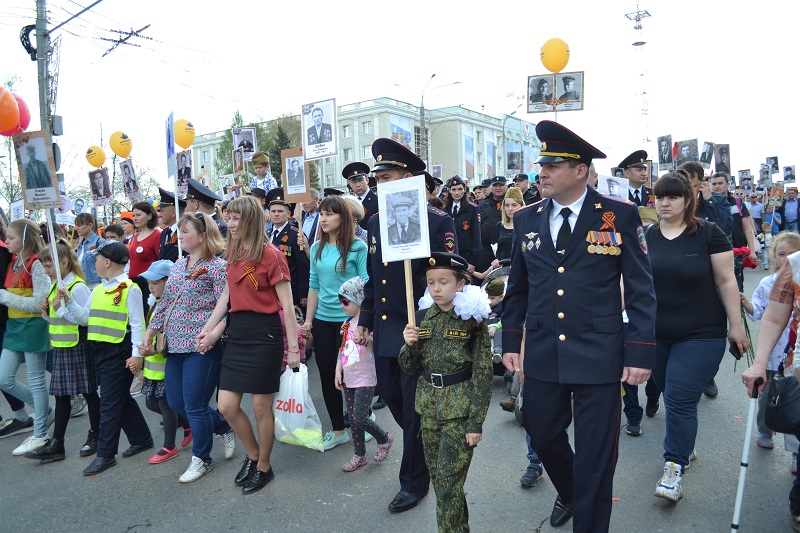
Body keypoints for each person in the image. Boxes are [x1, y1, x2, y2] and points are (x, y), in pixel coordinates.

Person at [502, 120, 656, 532]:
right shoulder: (527, 218)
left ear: (581, 171)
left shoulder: (618, 215)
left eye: (553, 166)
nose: (542, 173)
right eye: (541, 165)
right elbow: (518, 287)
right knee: (541, 429)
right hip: (545, 351)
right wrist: (511, 341)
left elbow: (641, 290)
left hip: (600, 353)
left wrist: (640, 351)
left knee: (595, 456)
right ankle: (571, 490)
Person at [355, 138, 458, 513]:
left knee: (414, 411)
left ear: (409, 178)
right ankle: (425, 444)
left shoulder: (436, 220)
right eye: (377, 178)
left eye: (387, 176)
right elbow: (374, 278)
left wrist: (431, 324)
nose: (380, 184)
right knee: (395, 401)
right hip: (385, 331)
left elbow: (445, 279)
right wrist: (365, 319)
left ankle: (414, 481)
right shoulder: (377, 221)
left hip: (419, 329)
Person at [645, 172, 747, 502]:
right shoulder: (649, 234)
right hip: (658, 334)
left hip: (702, 334)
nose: (664, 202)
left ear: (688, 201)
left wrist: (736, 325)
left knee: (678, 398)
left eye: (672, 197)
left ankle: (673, 466)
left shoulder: (709, 234)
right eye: (660, 197)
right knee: (662, 385)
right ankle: (684, 447)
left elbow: (726, 282)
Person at [198, 196, 300, 494]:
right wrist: (209, 329)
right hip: (238, 334)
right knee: (226, 405)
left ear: (251, 220)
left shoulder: (272, 255)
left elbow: (288, 305)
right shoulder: (232, 253)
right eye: (228, 217)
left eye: (236, 218)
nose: (230, 223)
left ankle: (265, 466)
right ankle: (253, 454)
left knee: (259, 407)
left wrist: (293, 349)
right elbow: (226, 299)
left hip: (265, 335)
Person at [399, 252, 492, 532]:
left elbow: (483, 374)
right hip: (429, 409)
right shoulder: (423, 317)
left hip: (459, 413)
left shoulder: (472, 320)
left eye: (443, 282)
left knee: (450, 482)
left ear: (461, 284)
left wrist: (476, 423)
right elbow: (408, 367)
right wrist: (409, 344)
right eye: (431, 282)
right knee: (441, 480)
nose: (436, 288)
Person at [143, 215, 236, 482]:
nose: (180, 236)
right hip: (173, 345)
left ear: (203, 235)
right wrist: (150, 332)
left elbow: (227, 307)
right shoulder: (177, 266)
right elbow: (165, 302)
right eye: (180, 232)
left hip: (201, 345)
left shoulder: (219, 267)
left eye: (185, 232)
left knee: (194, 405)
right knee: (176, 402)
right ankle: (222, 425)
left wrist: (212, 334)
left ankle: (202, 459)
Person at [300, 195, 368, 450]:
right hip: (322, 321)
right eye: (322, 214)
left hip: (349, 322)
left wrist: (361, 321)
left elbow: (365, 281)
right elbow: (314, 286)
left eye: (330, 214)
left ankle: (363, 419)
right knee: (328, 375)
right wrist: (308, 322)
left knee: (353, 376)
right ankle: (338, 429)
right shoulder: (316, 247)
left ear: (344, 217)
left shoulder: (358, 246)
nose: (324, 218)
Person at [741, 238, 800, 531]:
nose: (785, 257)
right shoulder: (793, 270)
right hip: (791, 362)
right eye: (781, 253)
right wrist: (759, 363)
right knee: (782, 408)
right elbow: (771, 316)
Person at [25, 240, 100, 463]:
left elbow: (86, 319)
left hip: (78, 345)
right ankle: (58, 443)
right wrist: (47, 312)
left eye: (48, 266)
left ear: (64, 263)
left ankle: (96, 434)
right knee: (61, 396)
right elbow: (54, 317)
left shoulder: (77, 286)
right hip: (61, 346)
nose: (45, 271)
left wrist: (62, 308)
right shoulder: (55, 284)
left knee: (89, 392)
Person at [82, 241, 152, 475]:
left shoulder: (128, 288)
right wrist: (63, 305)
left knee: (109, 404)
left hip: (119, 353)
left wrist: (136, 356)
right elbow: (84, 317)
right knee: (118, 396)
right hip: (101, 350)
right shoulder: (99, 289)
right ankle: (141, 438)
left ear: (107, 262)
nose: (95, 262)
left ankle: (105, 454)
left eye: (97, 258)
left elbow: (137, 324)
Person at [740, 231, 800, 449]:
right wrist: (746, 302)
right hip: (778, 356)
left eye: (792, 254)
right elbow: (764, 315)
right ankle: (765, 433)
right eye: (781, 254)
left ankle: (794, 450)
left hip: (791, 360)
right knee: (770, 400)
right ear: (774, 256)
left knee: (792, 403)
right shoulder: (770, 282)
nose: (786, 259)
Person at [0, 219, 52, 456]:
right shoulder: (13, 261)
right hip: (14, 327)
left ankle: (40, 432)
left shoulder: (37, 264)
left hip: (33, 327)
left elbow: (39, 303)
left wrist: (4, 297)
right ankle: (46, 412)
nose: (6, 241)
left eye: (10, 237)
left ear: (24, 238)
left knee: (37, 381)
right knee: (4, 379)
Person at [334, 276, 393, 471]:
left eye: (345, 301)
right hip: (349, 377)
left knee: (360, 417)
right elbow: (342, 350)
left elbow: (377, 351)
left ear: (359, 299)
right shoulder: (346, 324)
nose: (342, 305)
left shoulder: (370, 324)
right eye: (340, 300)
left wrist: (366, 340)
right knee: (353, 419)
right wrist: (338, 370)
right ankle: (359, 455)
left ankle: (384, 439)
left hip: (366, 378)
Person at [268, 195, 309, 307]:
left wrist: (303, 292)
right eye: (273, 211)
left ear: (288, 214)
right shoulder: (266, 234)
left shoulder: (296, 234)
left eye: (280, 211)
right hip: (271, 288)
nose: (276, 214)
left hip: (291, 288)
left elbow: (303, 265)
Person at [677, 162, 733, 236]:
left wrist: (709, 200)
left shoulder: (718, 199)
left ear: (700, 184)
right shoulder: (673, 200)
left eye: (690, 186)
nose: (685, 190)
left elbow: (726, 229)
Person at [128, 201, 162, 314]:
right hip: (133, 283)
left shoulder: (157, 234)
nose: (135, 218)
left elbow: (160, 260)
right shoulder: (136, 235)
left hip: (148, 284)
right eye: (133, 215)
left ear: (149, 216)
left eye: (138, 215)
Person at [444, 175, 481, 273]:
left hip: (467, 255)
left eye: (460, 189)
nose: (457, 192)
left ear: (464, 190)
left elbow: (477, 236)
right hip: (450, 253)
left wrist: (473, 261)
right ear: (449, 190)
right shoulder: (445, 209)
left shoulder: (472, 209)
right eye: (454, 189)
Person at [477, 176, 509, 272]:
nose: (498, 188)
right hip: (486, 247)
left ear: (506, 186)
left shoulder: (511, 203)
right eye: (495, 185)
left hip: (505, 246)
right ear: (491, 187)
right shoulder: (483, 204)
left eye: (501, 185)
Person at [74, 213, 106, 289]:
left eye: (80, 225)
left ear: (90, 226)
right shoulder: (80, 245)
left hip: (97, 286)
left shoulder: (100, 242)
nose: (76, 228)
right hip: (83, 285)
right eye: (76, 225)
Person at [493, 186, 524, 266]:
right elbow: (499, 249)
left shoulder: (527, 225)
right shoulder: (500, 225)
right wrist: (497, 260)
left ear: (521, 206)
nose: (510, 209)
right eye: (507, 205)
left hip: (522, 267)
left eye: (514, 205)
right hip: (503, 267)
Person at [343, 162, 378, 230]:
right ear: (350, 184)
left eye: (360, 181)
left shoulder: (377, 200)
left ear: (367, 180)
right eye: (354, 182)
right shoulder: (348, 203)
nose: (358, 185)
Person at [157, 188, 186, 262]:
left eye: (162, 211)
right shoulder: (165, 232)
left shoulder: (184, 231)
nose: (160, 214)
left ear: (173, 212)